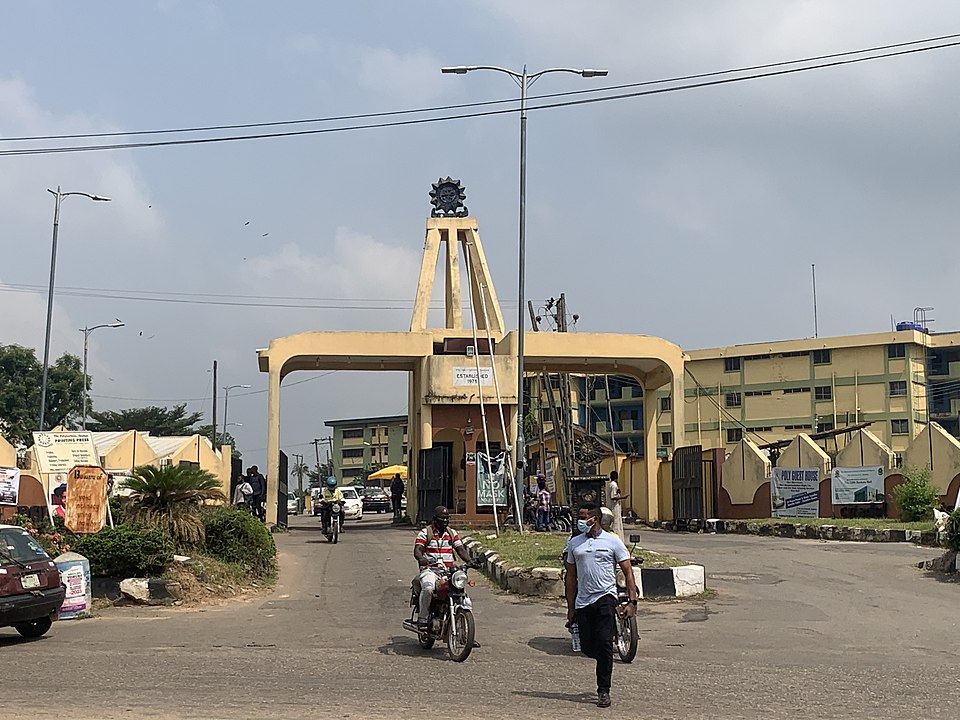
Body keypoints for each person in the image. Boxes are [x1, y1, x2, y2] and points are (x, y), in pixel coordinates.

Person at [564, 502, 638, 708]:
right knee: (589, 646)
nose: (579, 521)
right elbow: (570, 577)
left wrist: (632, 601)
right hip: (583, 601)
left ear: (594, 519)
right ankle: (603, 660)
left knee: (605, 642)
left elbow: (628, 572)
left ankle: (603, 690)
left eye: (582, 517)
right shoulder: (574, 543)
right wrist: (570, 608)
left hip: (605, 597)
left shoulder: (612, 542)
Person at [413, 505, 473, 631]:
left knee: (462, 595)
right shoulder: (426, 533)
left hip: (448, 573)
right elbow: (417, 550)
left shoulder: (451, 533)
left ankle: (466, 631)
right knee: (428, 588)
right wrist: (421, 558)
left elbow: (460, 549)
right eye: (442, 519)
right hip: (430, 571)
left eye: (447, 518)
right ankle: (423, 619)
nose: (445, 521)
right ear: (435, 519)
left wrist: (470, 561)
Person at [606, 470, 626, 541]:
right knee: (616, 523)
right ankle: (617, 539)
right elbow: (613, 497)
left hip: (612, 506)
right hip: (614, 507)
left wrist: (618, 492)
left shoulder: (611, 484)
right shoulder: (614, 485)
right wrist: (623, 497)